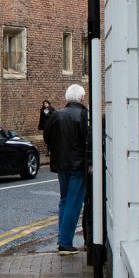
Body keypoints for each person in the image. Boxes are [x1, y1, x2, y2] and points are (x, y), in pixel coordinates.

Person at [44, 83, 89, 255]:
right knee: (73, 203)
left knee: (64, 201)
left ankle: (62, 239)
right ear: (81, 98)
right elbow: (87, 139)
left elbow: (47, 136)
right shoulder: (83, 114)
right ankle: (65, 243)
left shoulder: (56, 115)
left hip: (61, 165)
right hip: (78, 166)